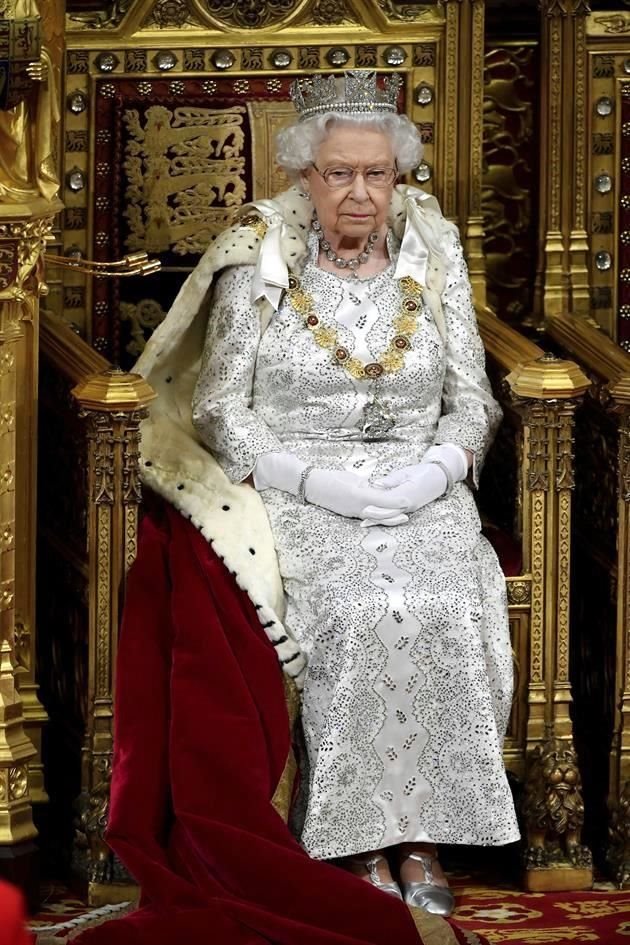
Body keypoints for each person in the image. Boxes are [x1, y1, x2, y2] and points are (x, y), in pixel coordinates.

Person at [79, 70, 515, 945]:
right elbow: (218, 405)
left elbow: (474, 395)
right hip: (297, 479)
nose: (360, 192)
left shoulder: (433, 252)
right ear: (304, 177)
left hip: (417, 477)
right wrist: (317, 483)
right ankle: (353, 843)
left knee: (439, 595)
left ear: (400, 178)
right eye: (339, 173)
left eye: (377, 175)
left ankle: (421, 840)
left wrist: (437, 470)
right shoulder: (261, 254)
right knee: (354, 605)